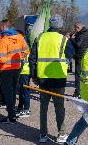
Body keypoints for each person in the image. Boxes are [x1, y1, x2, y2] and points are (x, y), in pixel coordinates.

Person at [29, 14, 75, 143]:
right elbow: (71, 54)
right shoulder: (64, 39)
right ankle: (61, 134)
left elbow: (32, 58)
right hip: (59, 79)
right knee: (59, 107)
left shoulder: (40, 37)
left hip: (43, 79)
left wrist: (34, 75)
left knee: (43, 108)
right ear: (60, 25)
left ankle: (43, 135)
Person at [0, 19, 29, 124]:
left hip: (6, 69)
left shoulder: (3, 40)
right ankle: (13, 114)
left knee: (8, 93)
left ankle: (11, 117)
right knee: (13, 91)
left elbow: (1, 59)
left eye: (0, 27)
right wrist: (20, 58)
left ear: (4, 27)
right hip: (17, 68)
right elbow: (26, 50)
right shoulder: (19, 37)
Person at [71, 21, 88, 98]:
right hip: (85, 55)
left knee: (78, 74)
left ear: (78, 27)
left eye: (75, 28)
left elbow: (78, 45)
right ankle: (83, 91)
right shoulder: (87, 33)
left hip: (80, 56)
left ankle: (77, 92)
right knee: (84, 74)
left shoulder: (81, 34)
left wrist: (72, 39)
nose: (74, 30)